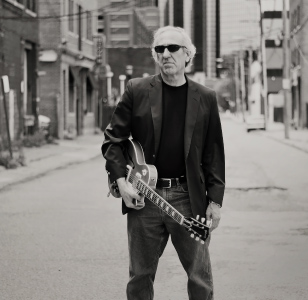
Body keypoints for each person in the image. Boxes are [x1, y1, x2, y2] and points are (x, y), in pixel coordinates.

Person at [101, 26, 225, 300]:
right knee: (140, 277)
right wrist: (122, 184)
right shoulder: (137, 90)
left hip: (188, 198)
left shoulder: (205, 97)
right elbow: (113, 141)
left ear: (187, 55)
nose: (166, 54)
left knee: (200, 277)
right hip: (144, 197)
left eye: (172, 48)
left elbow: (213, 154)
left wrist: (215, 202)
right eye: (160, 49)